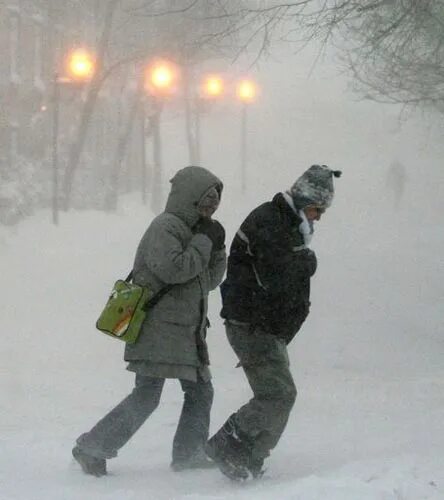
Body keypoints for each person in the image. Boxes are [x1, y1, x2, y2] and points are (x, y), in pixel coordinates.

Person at [72, 166, 226, 477]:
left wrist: (218, 249)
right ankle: (93, 448)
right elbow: (175, 270)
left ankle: (187, 454)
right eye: (205, 201)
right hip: (159, 328)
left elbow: (206, 281)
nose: (210, 207)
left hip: (185, 333)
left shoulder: (197, 232)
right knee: (148, 395)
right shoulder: (166, 227)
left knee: (199, 392)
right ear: (189, 197)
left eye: (215, 202)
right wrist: (204, 243)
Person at [206, 164, 341, 481]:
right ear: (303, 198)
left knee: (278, 394)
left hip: (263, 325)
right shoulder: (270, 221)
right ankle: (231, 445)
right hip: (252, 324)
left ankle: (245, 454)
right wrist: (307, 262)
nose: (318, 216)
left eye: (321, 211)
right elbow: (274, 276)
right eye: (315, 209)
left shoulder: (284, 223)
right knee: (279, 394)